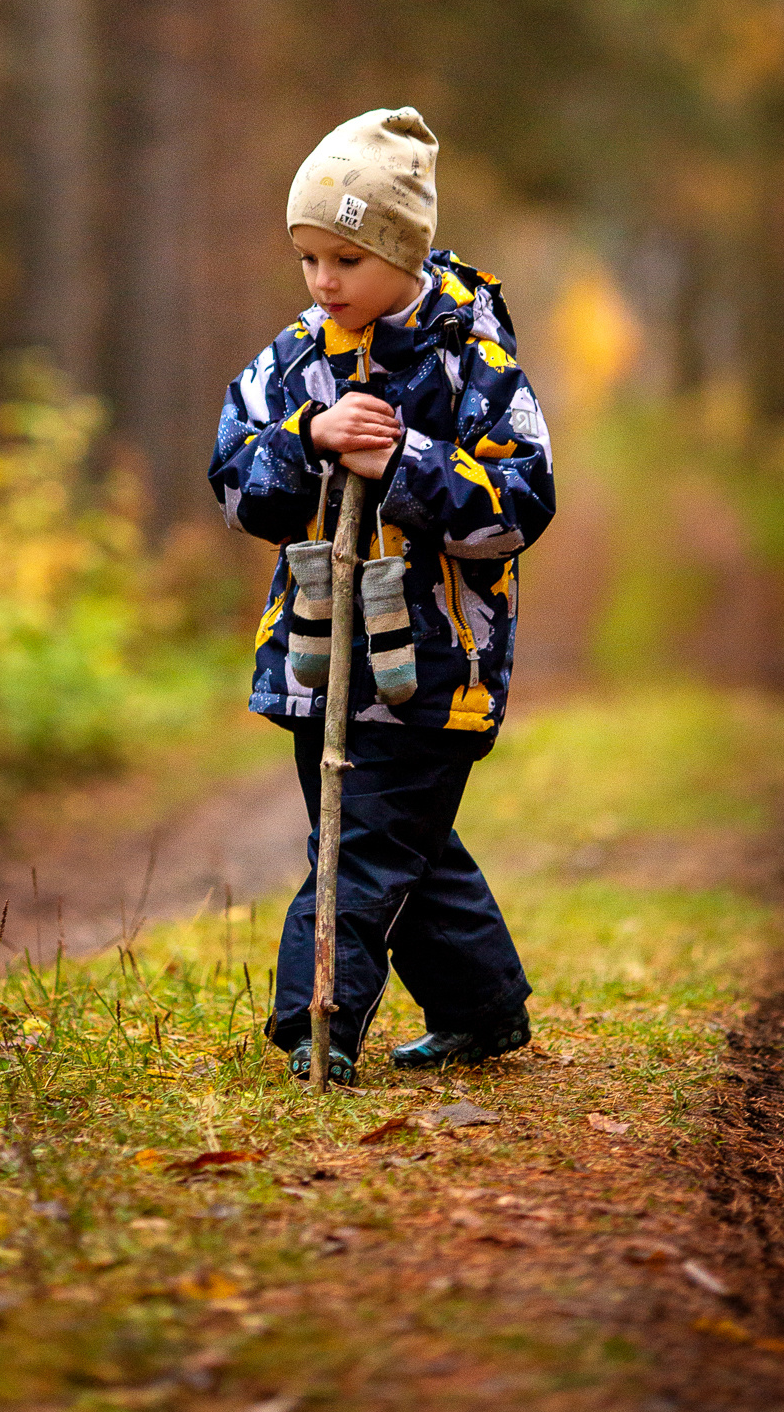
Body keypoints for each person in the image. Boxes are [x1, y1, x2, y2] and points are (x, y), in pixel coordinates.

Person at [209, 106, 555, 1086]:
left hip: (434, 665)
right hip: (319, 656)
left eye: (345, 260)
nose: (323, 282)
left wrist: (405, 460)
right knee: (398, 845)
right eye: (307, 258)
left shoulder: (472, 371)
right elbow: (233, 480)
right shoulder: (295, 362)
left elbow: (519, 506)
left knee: (362, 849)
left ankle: (315, 1024)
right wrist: (305, 441)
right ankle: (484, 1012)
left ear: (403, 254)